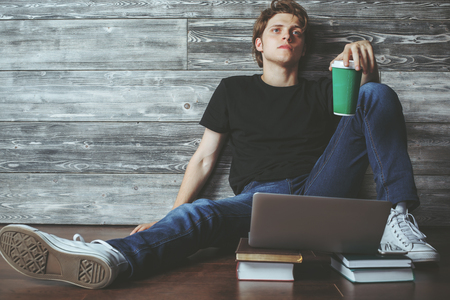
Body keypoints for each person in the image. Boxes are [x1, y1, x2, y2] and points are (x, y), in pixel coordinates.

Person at [0, 0, 439, 289]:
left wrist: (365, 68)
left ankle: (396, 220)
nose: (290, 35)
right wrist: (168, 213)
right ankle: (111, 256)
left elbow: (370, 115)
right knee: (202, 215)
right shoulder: (233, 89)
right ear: (259, 43)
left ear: (304, 46)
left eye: (298, 31)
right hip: (262, 198)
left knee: (377, 93)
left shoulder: (325, 88)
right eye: (278, 29)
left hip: (324, 188)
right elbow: (205, 156)